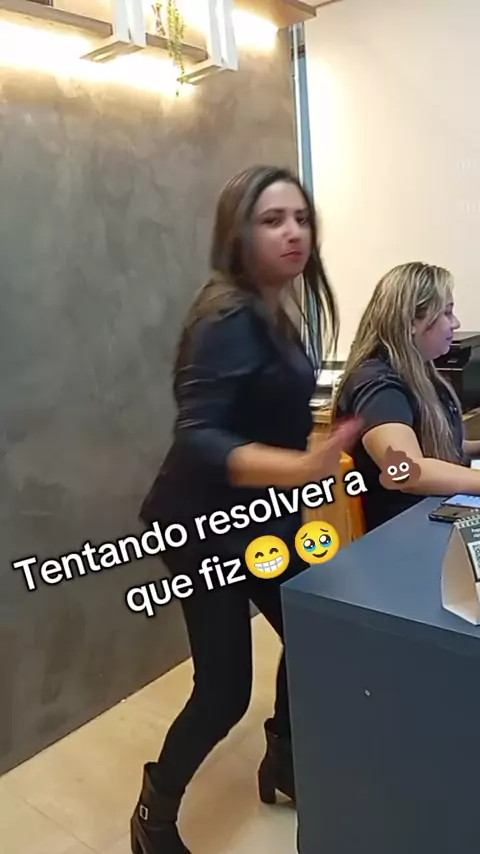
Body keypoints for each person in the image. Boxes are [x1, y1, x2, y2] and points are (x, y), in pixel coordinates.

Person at [130, 165, 361, 854]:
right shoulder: (227, 316)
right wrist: (300, 468)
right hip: (201, 527)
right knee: (224, 690)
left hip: (260, 517)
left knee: (313, 631)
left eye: (301, 218)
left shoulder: (272, 308)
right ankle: (152, 816)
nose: (294, 233)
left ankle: (283, 761)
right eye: (272, 220)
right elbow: (198, 436)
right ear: (238, 232)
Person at [333, 261, 480, 532]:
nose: (455, 323)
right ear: (412, 322)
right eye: (447, 312)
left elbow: (435, 444)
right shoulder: (379, 384)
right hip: (404, 532)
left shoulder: (419, 372)